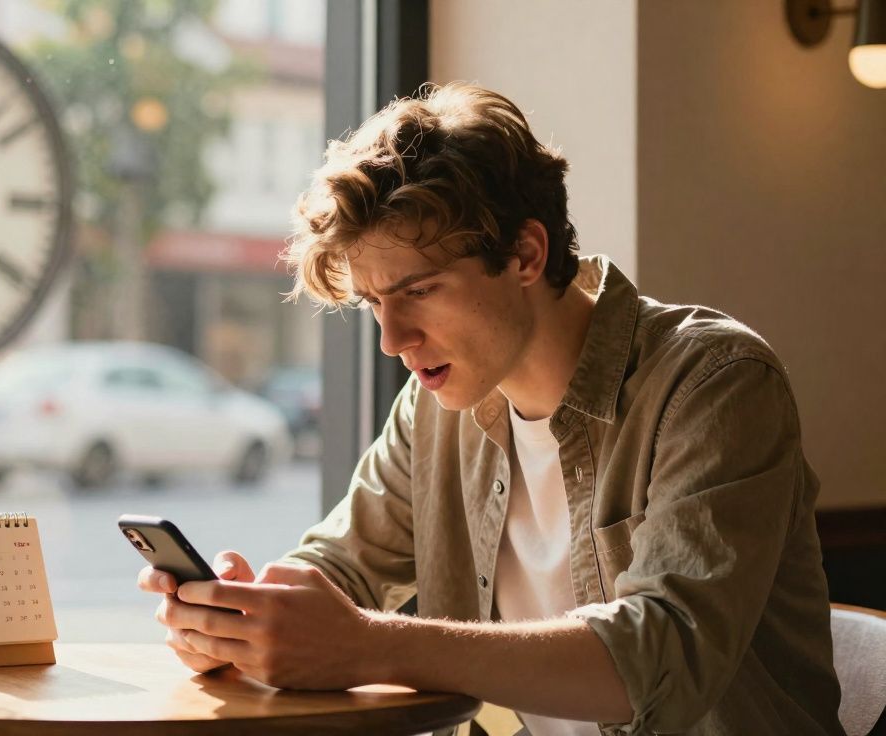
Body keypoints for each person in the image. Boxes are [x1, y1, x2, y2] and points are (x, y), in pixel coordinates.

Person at [135, 83, 844, 735]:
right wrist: (244, 615)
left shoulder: (713, 383)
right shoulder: (436, 404)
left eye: (418, 291)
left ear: (526, 253)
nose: (392, 340)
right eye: (373, 303)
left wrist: (364, 644)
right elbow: (342, 564)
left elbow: (659, 655)